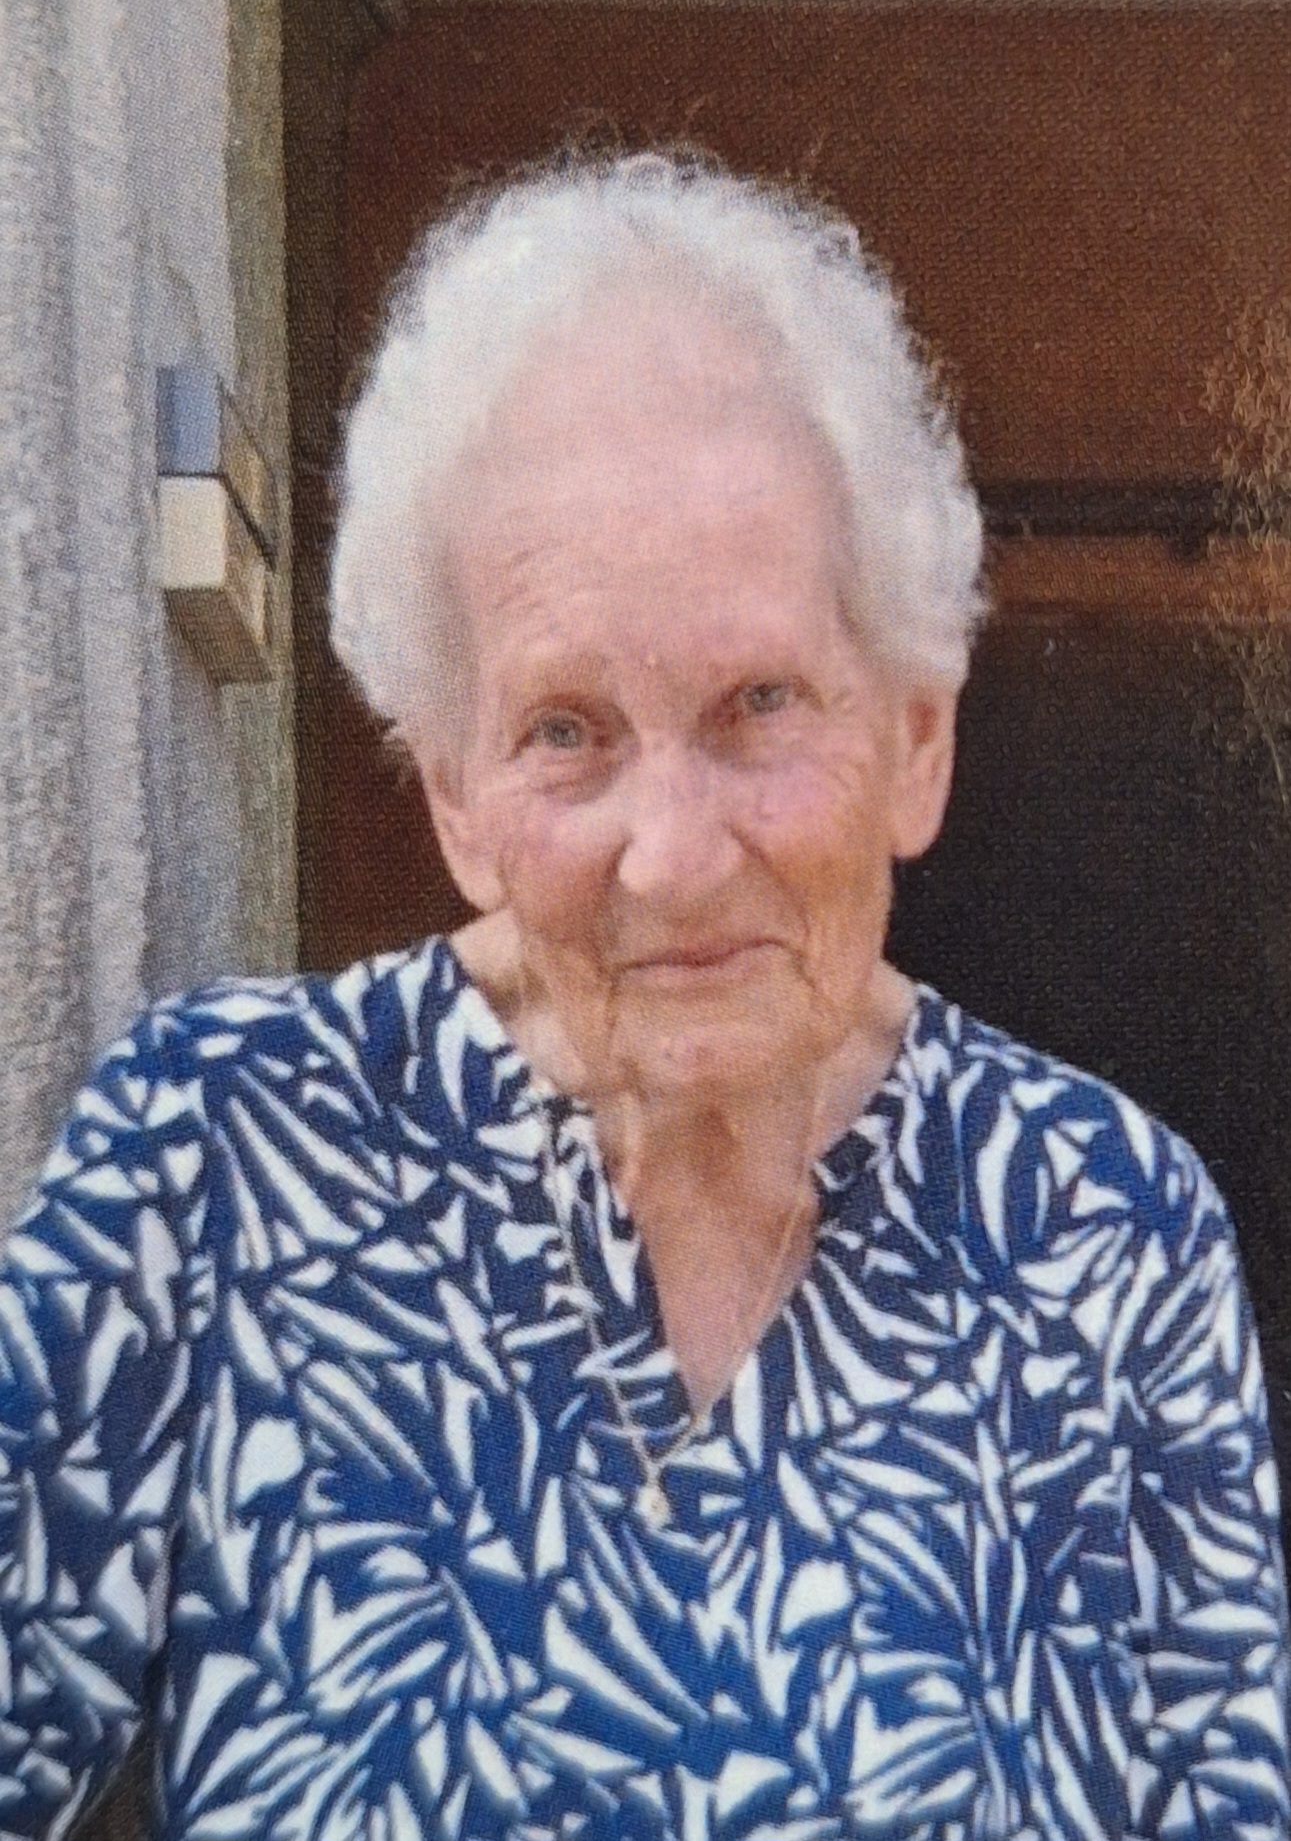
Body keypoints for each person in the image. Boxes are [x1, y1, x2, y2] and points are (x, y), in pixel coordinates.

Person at [1, 147, 1286, 1841]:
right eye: (566, 730)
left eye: (759, 703)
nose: (672, 857)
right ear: (453, 795)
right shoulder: (220, 1154)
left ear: (916, 737)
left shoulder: (1104, 1230)